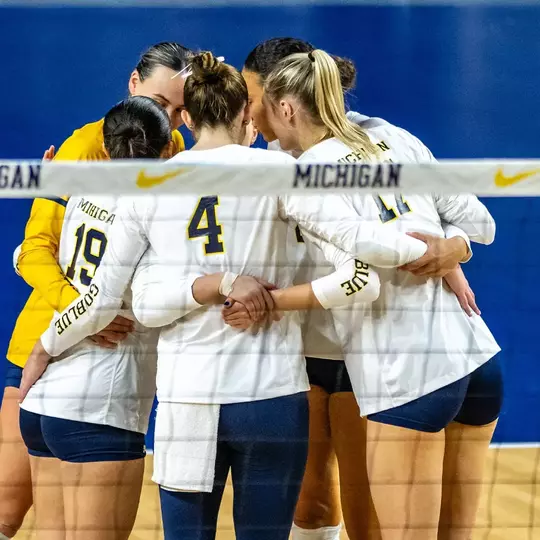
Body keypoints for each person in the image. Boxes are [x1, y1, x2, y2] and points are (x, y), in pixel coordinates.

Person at [20, 51, 472, 540]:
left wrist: (48, 342)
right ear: (245, 116)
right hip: (271, 399)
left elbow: (142, 307)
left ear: (186, 118)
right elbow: (359, 276)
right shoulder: (279, 173)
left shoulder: (151, 188)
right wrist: (444, 250)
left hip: (188, 402)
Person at [243, 37, 479, 540]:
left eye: (253, 96)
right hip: (299, 345)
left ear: (285, 97)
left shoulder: (373, 138)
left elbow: (436, 216)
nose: (248, 109)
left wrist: (452, 250)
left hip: (362, 343)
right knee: (311, 498)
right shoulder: (255, 162)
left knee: (366, 500)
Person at [0, 41, 191, 539]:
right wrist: (85, 313)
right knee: (7, 506)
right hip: (53, 344)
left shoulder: (173, 153)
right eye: (158, 103)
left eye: (176, 108)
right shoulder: (86, 150)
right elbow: (33, 247)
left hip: (86, 361)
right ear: (132, 85)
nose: (167, 118)